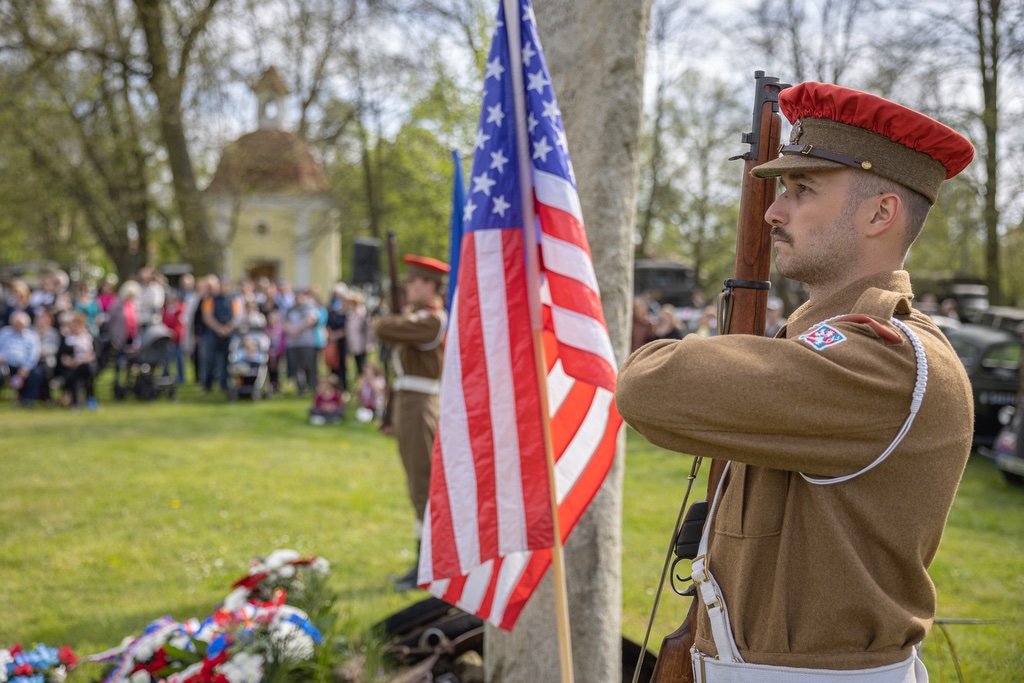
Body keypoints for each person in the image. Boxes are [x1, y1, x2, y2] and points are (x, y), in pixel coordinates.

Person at [616, 82, 975, 681]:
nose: (773, 212)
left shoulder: (885, 361)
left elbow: (648, 384)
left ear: (881, 212)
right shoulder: (826, 342)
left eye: (802, 190)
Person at [372, 255, 449, 591]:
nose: (409, 288)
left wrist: (390, 314)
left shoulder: (433, 320)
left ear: (430, 284)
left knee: (423, 486)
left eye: (414, 282)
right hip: (408, 404)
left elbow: (384, 328)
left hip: (420, 407)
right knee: (416, 484)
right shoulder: (419, 317)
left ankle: (427, 564)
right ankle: (423, 561)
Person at [58, 312, 98, 410]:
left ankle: (77, 402)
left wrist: (81, 361)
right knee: (75, 375)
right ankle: (86, 399)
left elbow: (95, 354)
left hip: (87, 366)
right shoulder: (67, 340)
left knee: (85, 369)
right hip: (71, 367)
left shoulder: (89, 337)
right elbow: (63, 357)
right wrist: (72, 362)